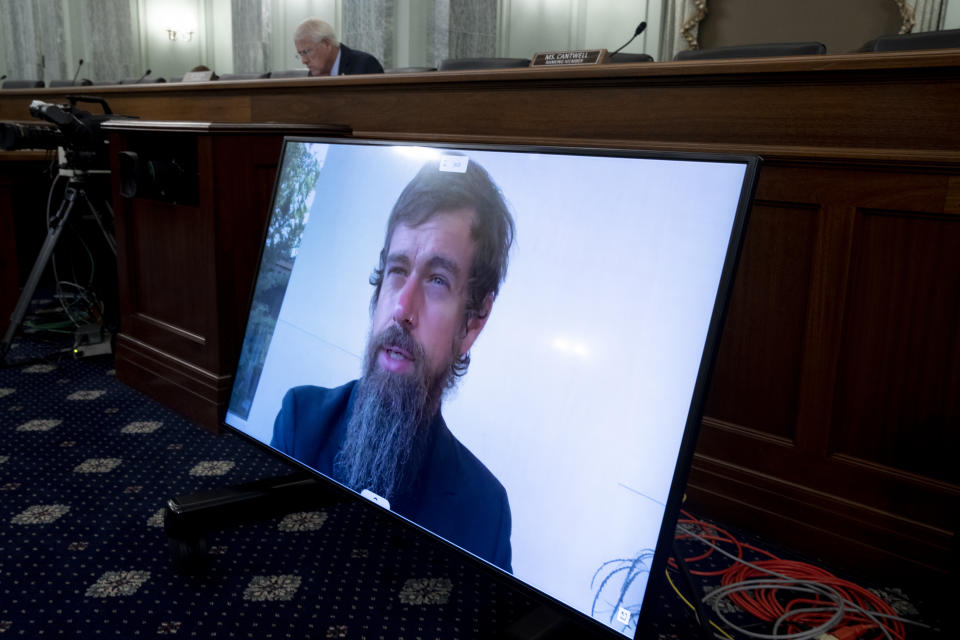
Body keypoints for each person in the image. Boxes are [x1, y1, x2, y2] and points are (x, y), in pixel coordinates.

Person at [272, 157, 516, 572]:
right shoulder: (301, 423)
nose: (403, 307)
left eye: (437, 280)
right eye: (397, 269)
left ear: (474, 322)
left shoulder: (485, 510)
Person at [293, 18, 383, 76]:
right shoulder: (313, 73)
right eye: (300, 54)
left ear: (326, 44)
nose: (304, 61)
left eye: (306, 52)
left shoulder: (365, 65)